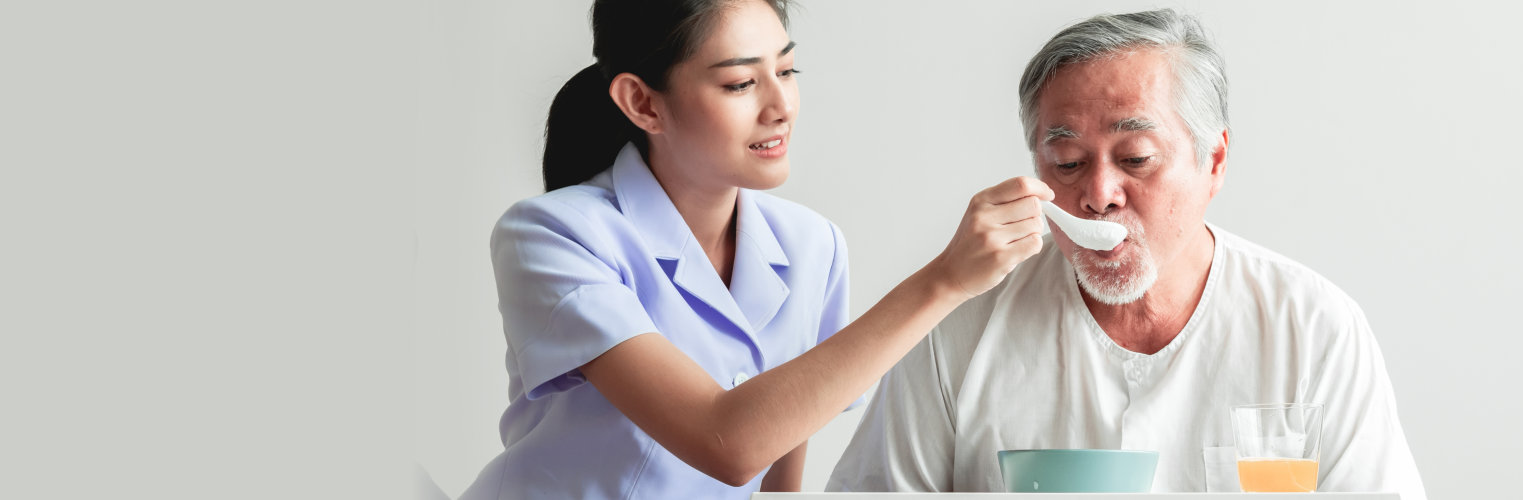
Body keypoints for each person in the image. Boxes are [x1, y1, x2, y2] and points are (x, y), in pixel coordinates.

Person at [460, 1, 1053, 498]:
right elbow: (730, 444)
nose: (781, 106)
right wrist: (944, 281)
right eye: (741, 82)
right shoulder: (551, 234)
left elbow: (776, 476)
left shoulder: (811, 245)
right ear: (642, 103)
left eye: (788, 71)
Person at [828, 9, 1426, 498]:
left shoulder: (1313, 328)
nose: (1097, 196)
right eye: (1066, 164)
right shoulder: (959, 320)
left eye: (1135, 158)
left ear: (1213, 162)